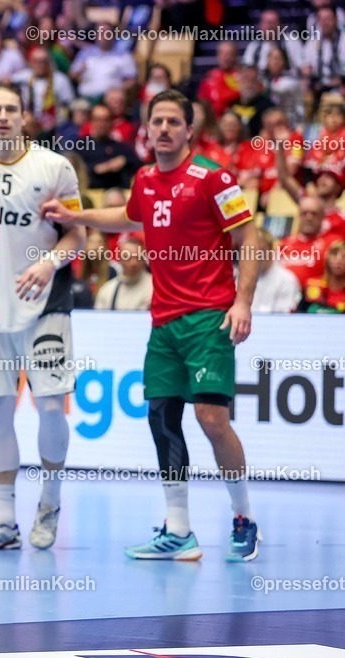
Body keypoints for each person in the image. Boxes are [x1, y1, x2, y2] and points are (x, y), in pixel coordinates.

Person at [42, 89, 262, 562]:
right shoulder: (144, 179)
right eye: (156, 121)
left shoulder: (212, 177)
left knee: (211, 419)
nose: (163, 128)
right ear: (147, 129)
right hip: (163, 322)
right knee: (162, 419)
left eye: (171, 122)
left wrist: (243, 301)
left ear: (188, 129)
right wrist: (73, 214)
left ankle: (243, 517)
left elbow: (249, 238)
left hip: (209, 317)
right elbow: (126, 218)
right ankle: (179, 530)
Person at [0, 84, 86, 551]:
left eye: (12, 109)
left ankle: (49, 506)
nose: (4, 116)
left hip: (45, 303)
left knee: (51, 406)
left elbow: (78, 237)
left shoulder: (54, 167)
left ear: (25, 117)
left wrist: (48, 261)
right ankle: (4, 520)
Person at [94, 235, 153, 311]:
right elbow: (98, 319)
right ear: (119, 258)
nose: (133, 263)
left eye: (138, 257)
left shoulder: (155, 288)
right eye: (128, 257)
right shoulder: (107, 290)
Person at [251, 230, 300, 313]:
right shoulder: (242, 278)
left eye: (261, 251)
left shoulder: (287, 279)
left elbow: (283, 315)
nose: (257, 256)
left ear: (271, 250)